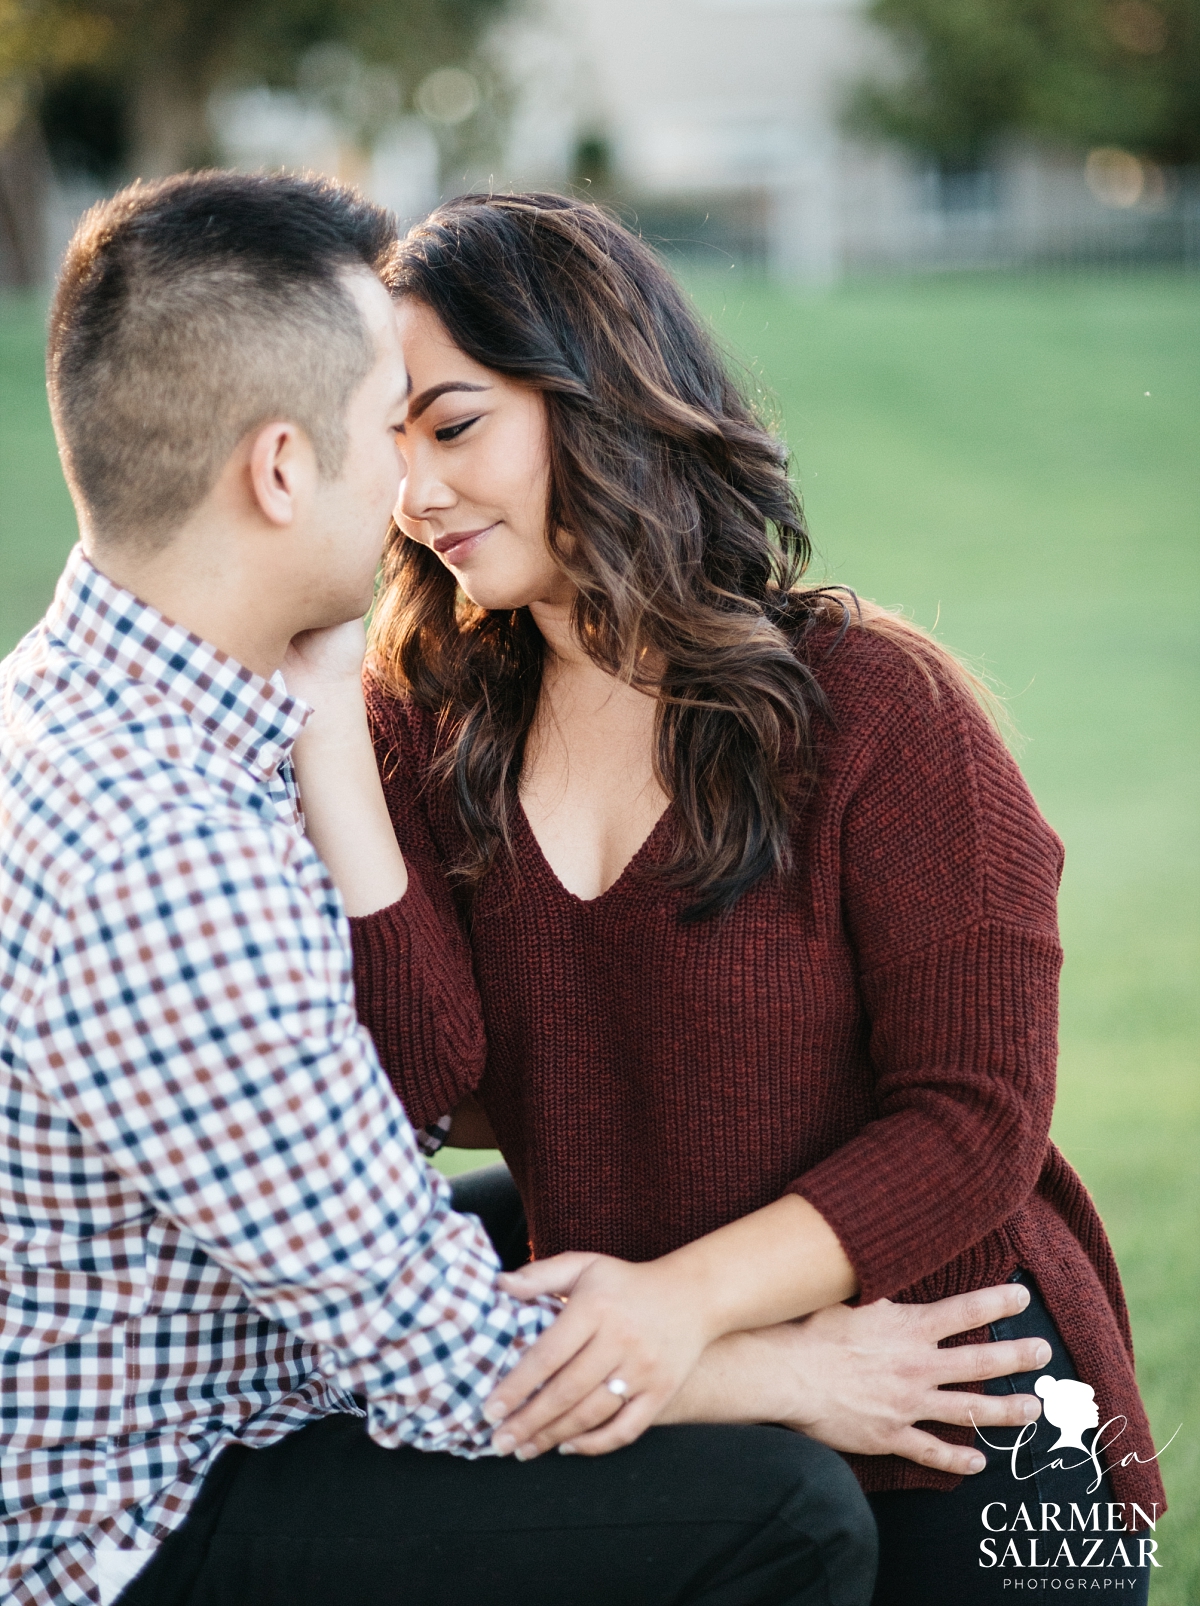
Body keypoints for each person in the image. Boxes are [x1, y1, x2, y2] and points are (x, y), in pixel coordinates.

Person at [1, 169, 905, 1606]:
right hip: (145, 1519)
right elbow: (426, 1356)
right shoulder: (160, 849)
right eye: (388, 432)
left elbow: (385, 1121)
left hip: (203, 1357)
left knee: (591, 1217)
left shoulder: (90, 708)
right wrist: (794, 1371)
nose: (413, 494)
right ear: (283, 470)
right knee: (780, 1507)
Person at [286, 193, 1165, 1606]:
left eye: (450, 425)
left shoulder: (878, 708)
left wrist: (677, 1301)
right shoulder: (419, 732)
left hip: (963, 1388)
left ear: (599, 393)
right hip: (677, 1423)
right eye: (386, 445)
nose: (416, 492)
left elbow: (975, 1115)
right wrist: (333, 741)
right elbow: (417, 1088)